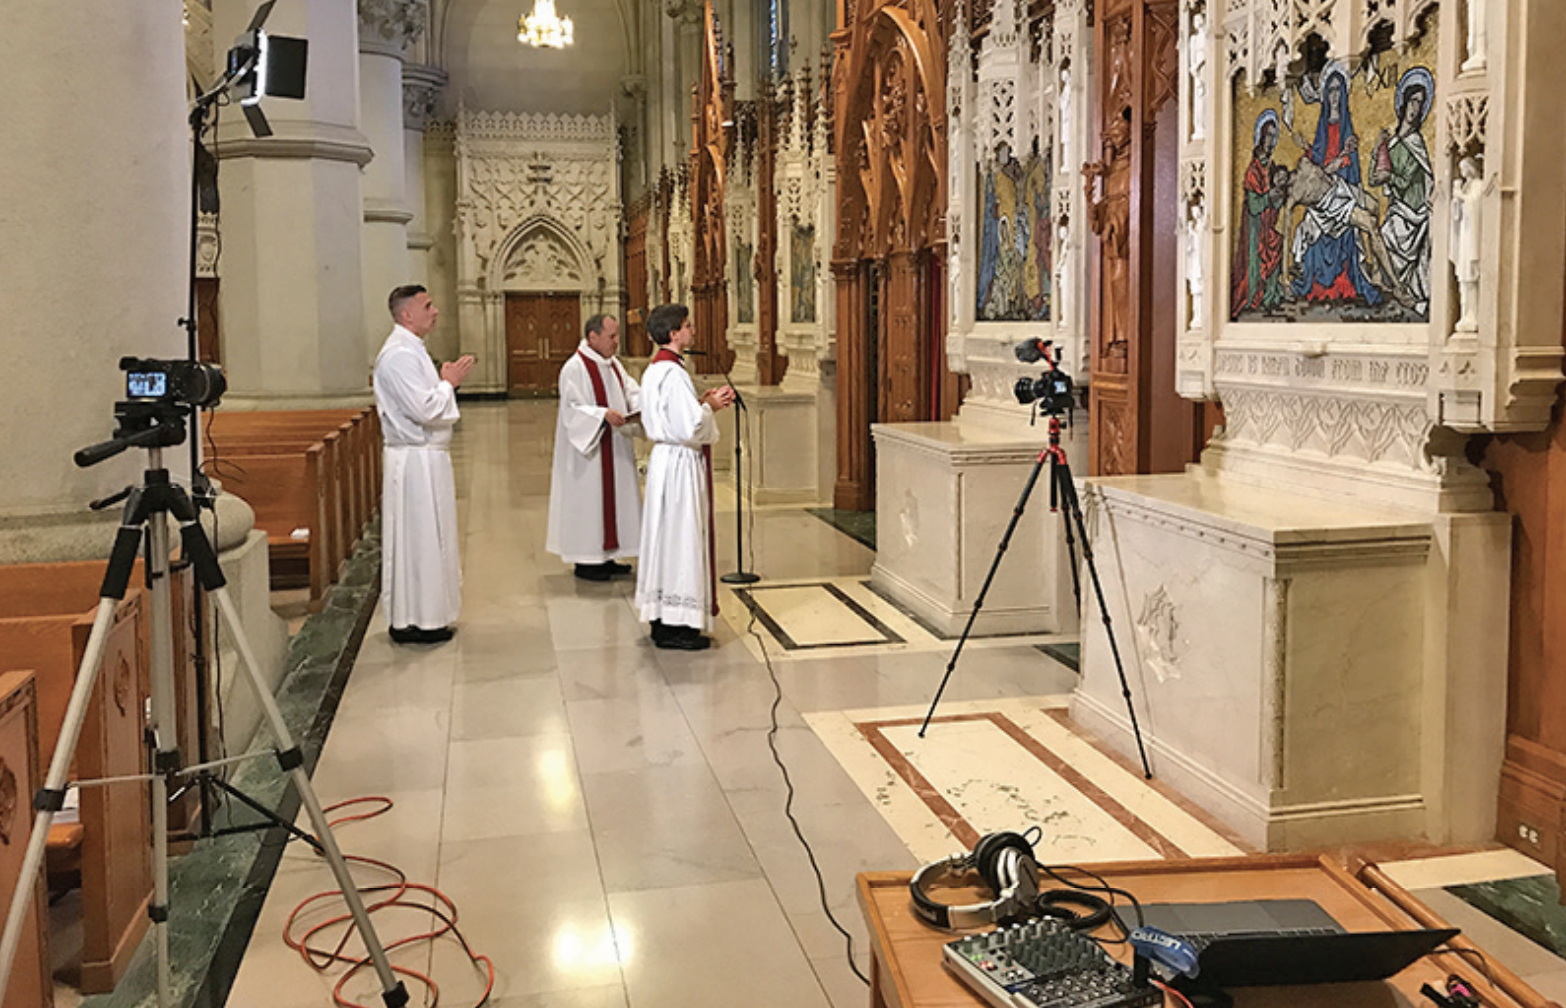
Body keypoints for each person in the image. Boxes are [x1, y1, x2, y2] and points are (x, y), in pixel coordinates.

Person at [373, 285, 474, 644]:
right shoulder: (399, 355)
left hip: (425, 458)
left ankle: (424, 615)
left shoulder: (412, 349)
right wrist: (449, 384)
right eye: (427, 306)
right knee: (420, 541)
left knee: (428, 539)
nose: (435, 311)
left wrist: (444, 383)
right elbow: (425, 410)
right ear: (407, 315)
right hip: (415, 461)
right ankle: (416, 620)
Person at [634, 304, 735, 651]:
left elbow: (675, 415)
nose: (693, 331)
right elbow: (690, 427)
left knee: (666, 537)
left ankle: (663, 619)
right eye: (688, 326)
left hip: (665, 459)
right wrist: (711, 408)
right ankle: (678, 625)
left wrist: (700, 403)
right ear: (674, 333)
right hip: (679, 463)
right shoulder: (673, 373)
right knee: (680, 537)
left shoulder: (655, 369)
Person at [545, 314, 642, 581]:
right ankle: (587, 560)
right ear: (592, 337)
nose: (616, 342)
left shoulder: (613, 365)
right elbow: (572, 410)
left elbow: (631, 392)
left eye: (617, 335)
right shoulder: (574, 368)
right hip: (589, 454)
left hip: (615, 447)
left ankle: (609, 555)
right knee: (590, 503)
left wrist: (644, 405)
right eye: (611, 336)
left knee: (616, 499)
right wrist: (601, 415)